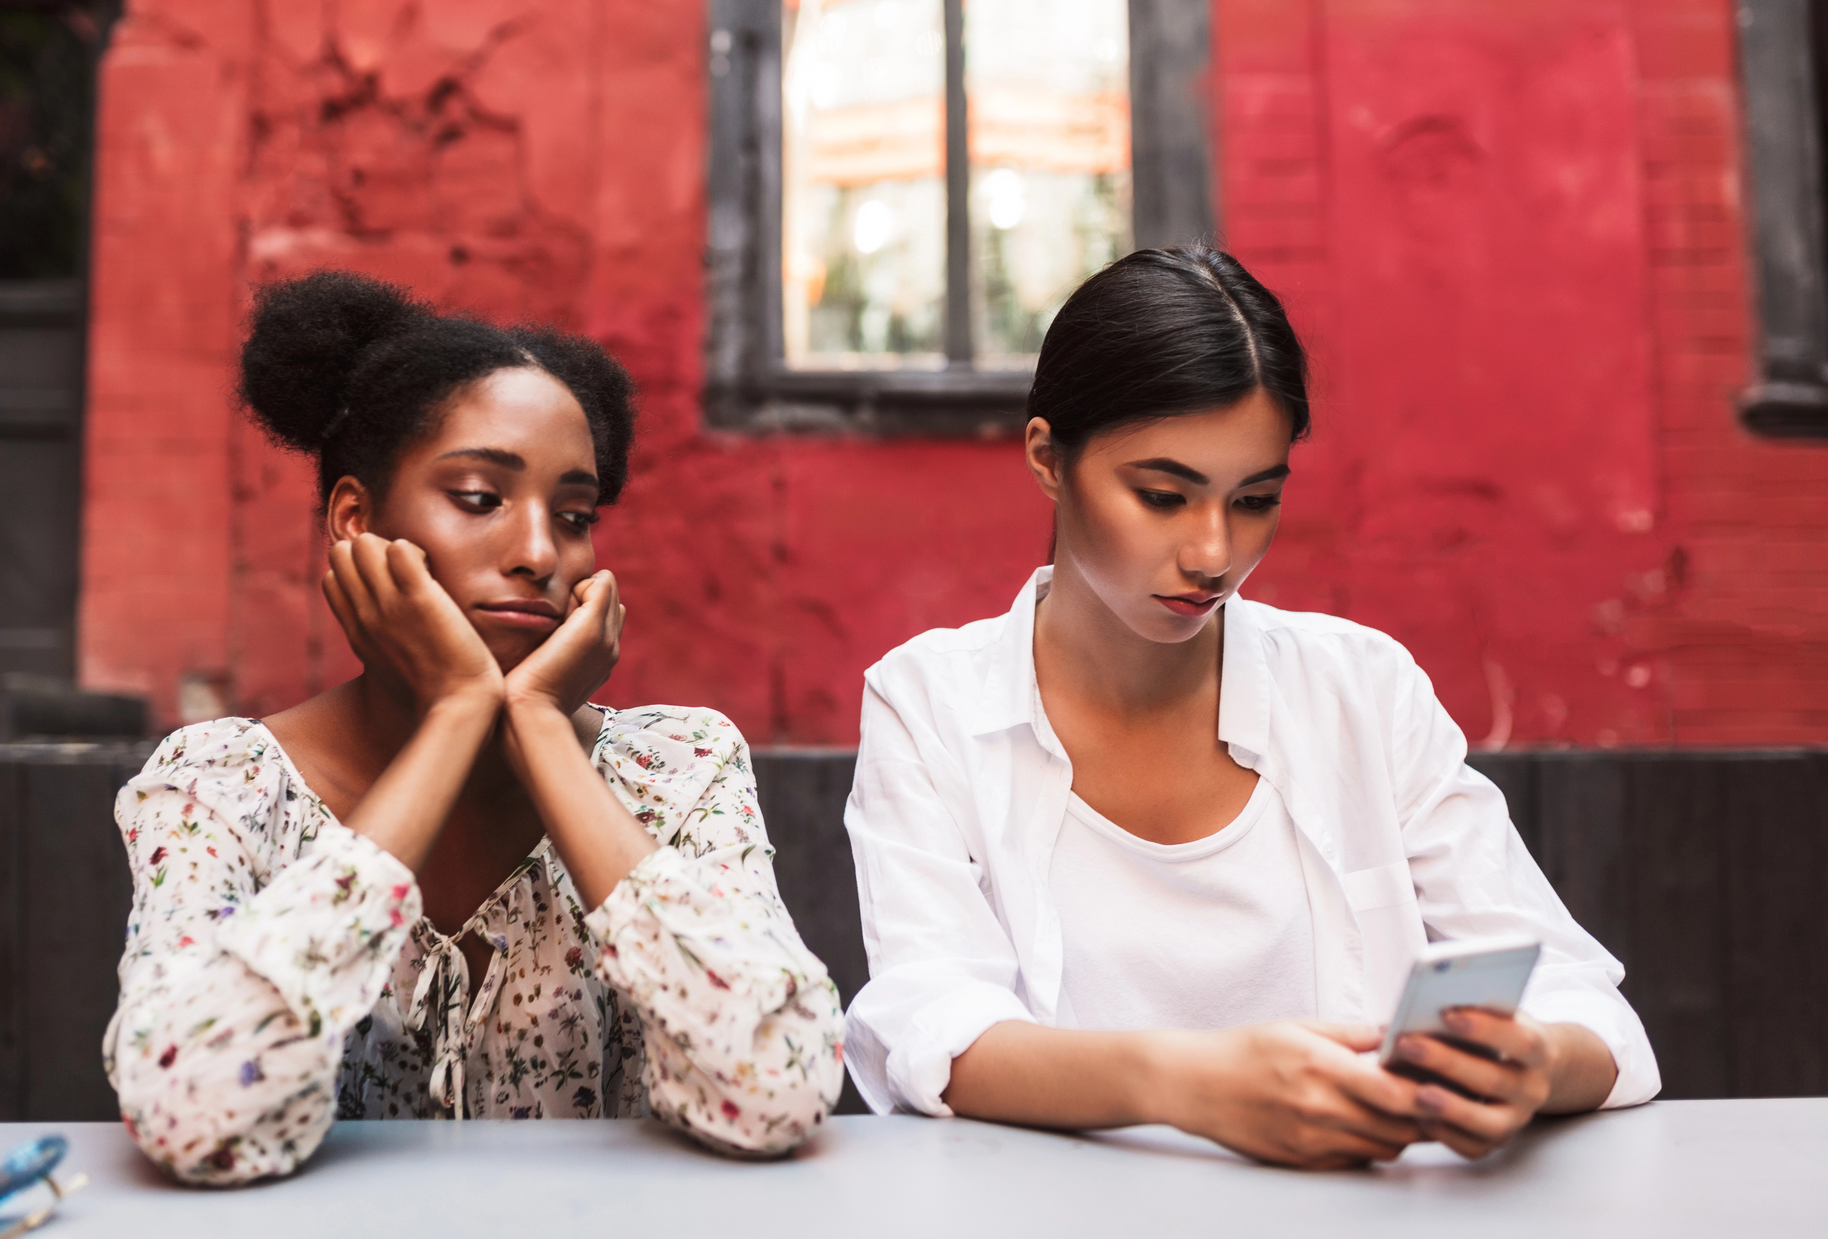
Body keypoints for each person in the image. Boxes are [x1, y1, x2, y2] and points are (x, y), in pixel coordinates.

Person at [843, 246, 1660, 1168]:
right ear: (1047, 459)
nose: (1211, 552)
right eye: (1162, 495)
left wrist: (1531, 1064)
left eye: (1255, 499)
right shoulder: (931, 703)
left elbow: (1583, 1002)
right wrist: (1191, 1088)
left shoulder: (1359, 688)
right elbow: (928, 1030)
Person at [104, 273, 843, 1183]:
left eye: (575, 516)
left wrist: (534, 724)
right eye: (480, 497)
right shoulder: (221, 786)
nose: (540, 551)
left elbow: (781, 1085)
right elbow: (189, 1111)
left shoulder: (678, 771)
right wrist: (454, 718)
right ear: (354, 522)